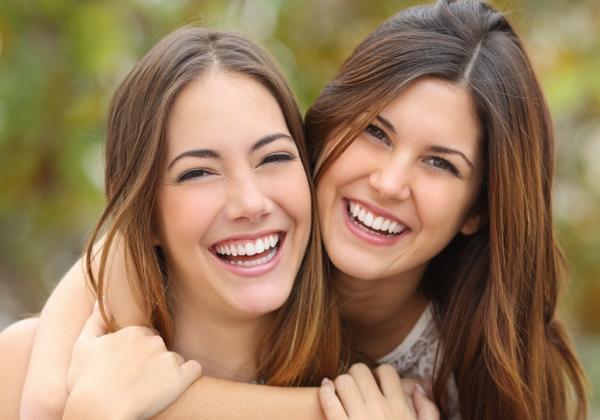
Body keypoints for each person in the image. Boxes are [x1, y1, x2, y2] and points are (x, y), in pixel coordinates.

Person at [3, 0, 588, 419]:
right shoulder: (261, 225)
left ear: (477, 210)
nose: (387, 182)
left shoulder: (466, 371)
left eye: (440, 163)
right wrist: (53, 392)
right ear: (327, 128)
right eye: (376, 133)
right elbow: (120, 252)